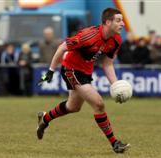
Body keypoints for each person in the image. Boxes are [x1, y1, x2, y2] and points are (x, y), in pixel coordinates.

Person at [36, 8, 130, 153]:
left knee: (73, 107)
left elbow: (107, 64)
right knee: (98, 104)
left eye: (122, 20)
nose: (122, 24)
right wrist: (50, 71)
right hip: (71, 69)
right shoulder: (89, 36)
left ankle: (45, 119)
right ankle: (115, 143)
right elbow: (62, 47)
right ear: (107, 22)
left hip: (86, 71)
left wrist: (115, 85)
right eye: (118, 20)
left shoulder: (116, 39)